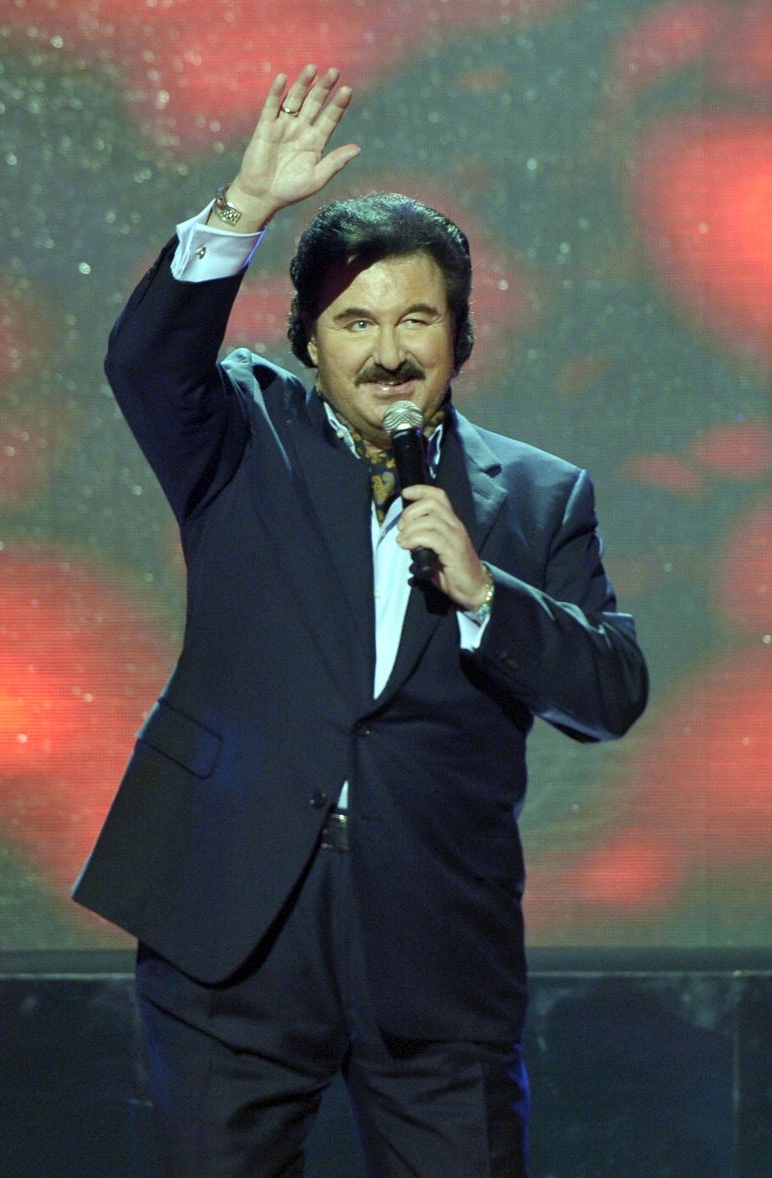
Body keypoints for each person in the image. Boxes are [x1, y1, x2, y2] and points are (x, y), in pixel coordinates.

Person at [74, 65, 648, 1177]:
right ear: (308, 341)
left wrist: (488, 594)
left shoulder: (538, 496)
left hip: (434, 939)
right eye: (355, 321)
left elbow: (611, 693)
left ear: (460, 337)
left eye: (417, 318)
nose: (388, 350)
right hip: (233, 921)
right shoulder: (242, 432)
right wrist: (246, 204)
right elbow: (144, 360)